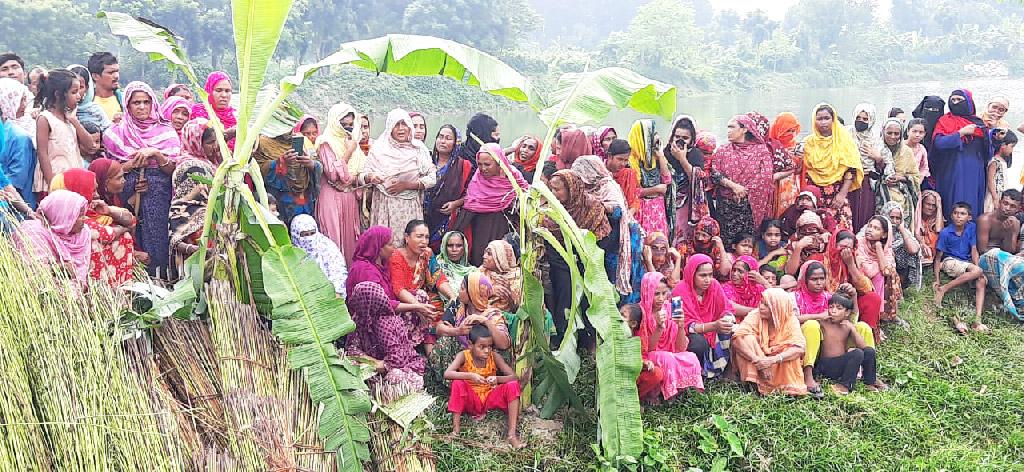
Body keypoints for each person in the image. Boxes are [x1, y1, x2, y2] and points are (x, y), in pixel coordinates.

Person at [103, 81, 181, 278]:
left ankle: (161, 280)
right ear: (127, 106)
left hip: (160, 197)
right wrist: (133, 166)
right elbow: (110, 171)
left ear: (153, 104)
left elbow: (173, 170)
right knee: (131, 238)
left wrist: (156, 154)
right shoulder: (115, 133)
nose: (142, 107)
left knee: (158, 239)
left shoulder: (166, 131)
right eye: (136, 103)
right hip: (127, 194)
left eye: (146, 102)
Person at [544, 169, 611, 348]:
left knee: (588, 301)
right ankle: (565, 341)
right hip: (561, 264)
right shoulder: (552, 210)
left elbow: (601, 238)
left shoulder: (592, 208)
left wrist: (582, 256)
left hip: (587, 264)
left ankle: (589, 342)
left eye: (558, 189)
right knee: (565, 300)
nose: (553, 194)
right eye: (551, 189)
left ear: (571, 189)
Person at [50, 168, 135, 288]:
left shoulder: (92, 208)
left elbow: (130, 219)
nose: (97, 194)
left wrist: (109, 211)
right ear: (79, 190)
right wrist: (125, 229)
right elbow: (106, 234)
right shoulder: (69, 216)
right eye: (93, 190)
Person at [361, 109, 436, 244]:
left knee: (410, 246)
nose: (401, 129)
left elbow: (432, 178)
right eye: (396, 125)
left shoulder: (418, 148)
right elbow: (363, 175)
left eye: (404, 124)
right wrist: (371, 177)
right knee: (386, 246)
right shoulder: (379, 148)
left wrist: (407, 185)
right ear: (390, 127)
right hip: (384, 206)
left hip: (409, 207)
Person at [573, 154, 643, 299]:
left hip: (619, 241)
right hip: (601, 243)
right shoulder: (584, 190)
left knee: (617, 280)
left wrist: (602, 206)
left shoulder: (608, 187)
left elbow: (618, 213)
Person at [444, 324, 524, 449]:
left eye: (489, 346)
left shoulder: (494, 357)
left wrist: (497, 379)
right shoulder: (464, 356)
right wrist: (470, 376)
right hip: (471, 400)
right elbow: (447, 373)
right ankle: (456, 431)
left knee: (513, 386)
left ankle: (512, 435)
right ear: (470, 345)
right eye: (482, 347)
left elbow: (513, 377)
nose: (487, 350)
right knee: (457, 383)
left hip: (489, 398)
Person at [454, 143, 527, 265]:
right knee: (480, 258)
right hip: (481, 227)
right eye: (480, 164)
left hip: (503, 226)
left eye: (487, 164)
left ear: (499, 163)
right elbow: (470, 204)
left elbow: (524, 193)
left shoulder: (512, 177)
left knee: (501, 259)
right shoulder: (478, 179)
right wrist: (456, 232)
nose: (483, 168)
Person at [347, 281, 428, 390]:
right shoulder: (359, 319)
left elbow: (395, 362)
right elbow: (352, 348)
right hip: (375, 364)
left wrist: (372, 363)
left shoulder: (386, 324)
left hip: (402, 367)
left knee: (395, 375)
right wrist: (369, 360)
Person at [636, 272, 704, 401]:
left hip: (670, 353)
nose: (661, 298)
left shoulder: (670, 309)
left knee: (691, 357)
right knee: (666, 358)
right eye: (656, 294)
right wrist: (659, 328)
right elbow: (647, 349)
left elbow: (680, 348)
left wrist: (680, 326)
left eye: (664, 293)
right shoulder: (641, 313)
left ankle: (682, 393)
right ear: (647, 292)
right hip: (648, 356)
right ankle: (664, 395)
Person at [709, 114, 775, 245]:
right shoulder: (723, 150)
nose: (728, 130)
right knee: (727, 242)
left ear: (744, 129)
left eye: (732, 127)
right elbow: (714, 172)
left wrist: (744, 191)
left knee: (747, 242)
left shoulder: (761, 151)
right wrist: (734, 187)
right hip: (727, 206)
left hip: (749, 205)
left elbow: (766, 176)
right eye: (727, 127)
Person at [797, 103, 864, 230]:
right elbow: (800, 169)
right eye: (819, 119)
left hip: (836, 192)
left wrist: (842, 194)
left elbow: (851, 169)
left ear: (833, 119)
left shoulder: (844, 141)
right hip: (814, 195)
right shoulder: (808, 142)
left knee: (841, 232)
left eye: (826, 118)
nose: (823, 122)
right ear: (814, 121)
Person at [346, 225, 438, 317]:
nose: (394, 248)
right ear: (378, 247)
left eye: (427, 237)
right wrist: (416, 307)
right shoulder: (365, 270)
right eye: (390, 244)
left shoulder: (382, 265)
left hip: (387, 309)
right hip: (373, 319)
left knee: (420, 295)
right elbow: (383, 305)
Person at [731, 288, 807, 396]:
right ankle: (752, 387)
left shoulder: (790, 319)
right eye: (761, 302)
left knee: (789, 350)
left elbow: (799, 348)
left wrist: (773, 359)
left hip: (776, 362)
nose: (761, 307)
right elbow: (737, 340)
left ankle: (785, 390)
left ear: (777, 308)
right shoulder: (755, 314)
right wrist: (758, 360)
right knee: (745, 338)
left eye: (766, 305)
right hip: (758, 362)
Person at [314, 102, 364, 265]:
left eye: (351, 125)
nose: (348, 128)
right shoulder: (325, 142)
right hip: (331, 196)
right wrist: (349, 151)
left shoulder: (353, 141)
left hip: (349, 197)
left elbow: (359, 171)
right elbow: (333, 174)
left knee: (351, 240)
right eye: (343, 125)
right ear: (335, 123)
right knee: (334, 239)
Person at [672, 254, 734, 379]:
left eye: (710, 275)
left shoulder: (714, 285)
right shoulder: (678, 291)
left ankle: (726, 373)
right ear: (692, 274)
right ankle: (695, 374)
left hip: (713, 329)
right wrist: (714, 326)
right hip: (685, 334)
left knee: (733, 331)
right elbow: (681, 325)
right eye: (703, 275)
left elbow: (726, 308)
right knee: (698, 343)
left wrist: (727, 319)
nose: (708, 280)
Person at [13, 189, 91, 289]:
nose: (85, 218)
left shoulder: (82, 234)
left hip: (72, 293)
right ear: (63, 215)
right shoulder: (33, 232)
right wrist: (60, 268)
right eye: (79, 215)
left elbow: (81, 278)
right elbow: (34, 276)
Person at [812, 294, 886, 395]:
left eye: (839, 308)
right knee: (857, 353)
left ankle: (869, 382)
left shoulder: (846, 326)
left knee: (869, 351)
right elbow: (798, 319)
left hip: (841, 365)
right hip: (826, 366)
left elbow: (863, 346)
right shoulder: (824, 323)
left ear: (847, 312)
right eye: (831, 307)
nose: (833, 311)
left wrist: (852, 329)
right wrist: (818, 316)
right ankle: (844, 385)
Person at [931, 89, 988, 220]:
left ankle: (971, 235)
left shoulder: (978, 122)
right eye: (953, 100)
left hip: (974, 172)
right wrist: (961, 133)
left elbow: (987, 149)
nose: (955, 103)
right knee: (952, 203)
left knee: (971, 204)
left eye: (959, 100)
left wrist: (994, 137)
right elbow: (939, 143)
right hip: (951, 171)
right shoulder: (944, 121)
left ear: (969, 103)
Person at [933, 202, 987, 333]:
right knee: (978, 272)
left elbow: (974, 249)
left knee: (982, 280)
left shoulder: (971, 228)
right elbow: (938, 257)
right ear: (951, 215)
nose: (958, 216)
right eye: (956, 213)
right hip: (950, 261)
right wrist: (937, 279)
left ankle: (977, 320)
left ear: (969, 217)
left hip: (965, 263)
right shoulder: (946, 233)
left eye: (962, 214)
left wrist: (976, 268)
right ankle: (943, 289)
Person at [35, 69, 91, 193]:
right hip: (56, 182)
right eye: (74, 92)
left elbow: (90, 145)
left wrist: (75, 121)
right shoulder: (45, 119)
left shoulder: (70, 119)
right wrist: (53, 186)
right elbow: (43, 154)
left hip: (74, 182)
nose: (79, 96)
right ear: (58, 94)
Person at [390, 220, 453, 326]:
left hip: (421, 297)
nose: (424, 241)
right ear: (407, 237)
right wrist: (419, 307)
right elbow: (398, 289)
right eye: (419, 236)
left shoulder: (427, 253)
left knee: (439, 301)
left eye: (427, 237)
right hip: (402, 301)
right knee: (422, 299)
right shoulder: (396, 256)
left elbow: (438, 277)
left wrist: (452, 296)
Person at [167, 140, 215, 280]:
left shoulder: (214, 206)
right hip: (190, 267)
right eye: (194, 182)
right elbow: (175, 241)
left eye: (202, 181)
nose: (199, 187)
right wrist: (195, 250)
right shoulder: (179, 207)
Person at [255, 131, 320, 226]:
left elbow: (317, 163)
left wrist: (311, 164)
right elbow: (257, 170)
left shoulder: (303, 141)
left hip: (306, 199)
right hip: (280, 200)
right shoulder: (263, 143)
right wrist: (281, 163)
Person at [977, 191, 1024, 322]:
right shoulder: (985, 219)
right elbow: (982, 249)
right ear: (999, 202)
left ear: (1018, 209)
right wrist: (1000, 253)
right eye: (1005, 203)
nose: (1007, 208)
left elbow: (1010, 251)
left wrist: (1010, 233)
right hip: (987, 259)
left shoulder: (1014, 223)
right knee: (996, 254)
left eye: (1012, 206)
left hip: (1005, 261)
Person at [663, 115, 708, 244]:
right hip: (667, 199)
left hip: (687, 202)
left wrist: (682, 159)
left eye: (685, 138)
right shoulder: (665, 152)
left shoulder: (695, 154)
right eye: (677, 137)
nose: (680, 141)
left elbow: (697, 178)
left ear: (692, 139)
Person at [424, 124, 470, 251]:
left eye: (448, 138)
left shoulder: (463, 166)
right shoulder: (426, 160)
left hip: (447, 220)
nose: (443, 141)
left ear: (456, 142)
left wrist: (456, 203)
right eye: (440, 137)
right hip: (422, 216)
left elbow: (472, 194)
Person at [849, 103, 890, 229]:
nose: (861, 121)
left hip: (867, 182)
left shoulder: (876, 139)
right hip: (848, 180)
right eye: (858, 118)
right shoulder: (846, 134)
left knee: (864, 213)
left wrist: (878, 158)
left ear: (871, 120)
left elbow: (886, 167)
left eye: (865, 119)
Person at [628, 119, 672, 235]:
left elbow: (667, 180)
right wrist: (655, 189)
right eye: (651, 134)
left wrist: (661, 156)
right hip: (641, 210)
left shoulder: (655, 158)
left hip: (658, 210)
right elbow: (631, 192)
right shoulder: (629, 161)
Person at [290, 214, 348, 298]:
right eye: (305, 234)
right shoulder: (291, 254)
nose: (309, 238)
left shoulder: (327, 247)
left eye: (312, 233)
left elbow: (338, 271)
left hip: (329, 297)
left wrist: (335, 293)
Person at [0, 78, 37, 208]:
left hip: (16, 203)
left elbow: (17, 179)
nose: (24, 105)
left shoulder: (19, 136)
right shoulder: (11, 132)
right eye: (21, 100)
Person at [857, 216, 901, 323]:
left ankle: (882, 313)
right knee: (879, 274)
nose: (870, 230)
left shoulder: (886, 249)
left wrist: (878, 248)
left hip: (877, 284)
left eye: (876, 228)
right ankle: (874, 314)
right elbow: (865, 270)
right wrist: (876, 266)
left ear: (884, 234)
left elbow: (887, 271)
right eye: (870, 226)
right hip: (859, 282)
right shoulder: (859, 243)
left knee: (889, 275)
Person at [620, 304, 666, 403]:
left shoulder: (639, 338)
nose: (618, 318)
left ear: (633, 324)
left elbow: (641, 357)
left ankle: (634, 400)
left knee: (657, 374)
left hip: (632, 377)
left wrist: (645, 363)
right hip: (617, 375)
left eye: (623, 316)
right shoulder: (613, 333)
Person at [878, 117, 920, 220]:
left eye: (896, 134)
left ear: (901, 135)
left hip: (900, 200)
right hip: (876, 198)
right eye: (889, 133)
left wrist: (902, 177)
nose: (893, 137)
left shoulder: (906, 152)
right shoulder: (876, 148)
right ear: (883, 132)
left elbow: (916, 178)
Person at [190, 71, 237, 149]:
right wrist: (229, 133)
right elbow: (201, 142)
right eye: (218, 90)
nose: (224, 95)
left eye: (227, 91)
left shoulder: (235, 115)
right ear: (209, 91)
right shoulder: (199, 112)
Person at [880, 201, 922, 289]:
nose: (894, 221)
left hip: (898, 270)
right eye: (891, 217)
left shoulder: (903, 231)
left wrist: (902, 230)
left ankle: (900, 287)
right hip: (879, 267)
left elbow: (913, 250)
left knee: (907, 249)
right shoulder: (877, 228)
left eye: (898, 218)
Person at [768, 112, 802, 217]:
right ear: (779, 129)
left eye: (793, 131)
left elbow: (799, 171)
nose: (791, 134)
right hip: (775, 186)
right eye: (787, 131)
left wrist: (801, 159)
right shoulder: (770, 146)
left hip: (792, 187)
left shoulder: (797, 147)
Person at [478, 239, 522, 313]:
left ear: (500, 257)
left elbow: (519, 310)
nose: (484, 256)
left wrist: (509, 293)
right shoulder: (481, 272)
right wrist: (489, 291)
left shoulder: (517, 277)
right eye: (485, 252)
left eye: (489, 254)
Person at [429, 231, 473, 303]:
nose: (454, 249)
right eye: (450, 245)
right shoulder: (436, 264)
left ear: (464, 248)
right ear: (443, 246)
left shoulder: (472, 271)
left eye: (459, 246)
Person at [67, 65, 112, 134]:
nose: (77, 92)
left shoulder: (95, 111)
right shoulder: (60, 110)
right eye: (73, 87)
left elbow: (108, 135)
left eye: (81, 87)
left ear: (87, 88)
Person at [723, 255, 768, 320]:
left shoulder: (759, 289)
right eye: (733, 270)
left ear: (752, 274)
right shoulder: (727, 287)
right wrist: (758, 311)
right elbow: (731, 307)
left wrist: (764, 282)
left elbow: (777, 300)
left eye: (740, 271)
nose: (734, 274)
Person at [606, 139, 640, 214]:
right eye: (620, 159)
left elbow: (634, 201)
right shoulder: (601, 172)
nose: (623, 164)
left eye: (626, 160)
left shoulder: (628, 174)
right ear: (610, 156)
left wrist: (627, 217)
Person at [985, 130, 1016, 213]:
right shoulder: (995, 161)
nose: (1012, 150)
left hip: (1001, 196)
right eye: (1011, 146)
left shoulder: (1003, 161)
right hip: (993, 195)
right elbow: (990, 180)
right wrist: (995, 198)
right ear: (1003, 145)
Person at [87, 52, 122, 122]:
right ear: (95, 76)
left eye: (117, 71)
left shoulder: (124, 100)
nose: (116, 76)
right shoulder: (86, 104)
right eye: (110, 73)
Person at [915, 189, 943, 266]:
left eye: (934, 205)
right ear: (922, 203)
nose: (931, 208)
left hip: (931, 250)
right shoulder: (915, 216)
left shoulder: (936, 218)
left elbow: (939, 230)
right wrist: (922, 243)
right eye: (928, 204)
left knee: (936, 235)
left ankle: (931, 258)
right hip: (920, 246)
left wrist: (939, 207)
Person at [904, 118, 931, 189]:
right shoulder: (899, 146)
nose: (917, 135)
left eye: (921, 132)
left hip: (915, 183)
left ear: (924, 134)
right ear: (908, 131)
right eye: (914, 131)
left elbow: (924, 168)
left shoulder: (922, 149)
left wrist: (918, 182)